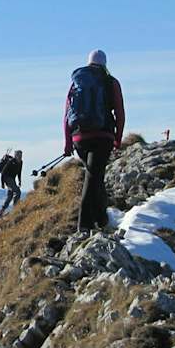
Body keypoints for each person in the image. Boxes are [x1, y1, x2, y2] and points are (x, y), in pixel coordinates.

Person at [64, 50, 125, 231]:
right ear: (104, 64)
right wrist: (118, 139)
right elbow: (120, 113)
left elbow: (66, 115)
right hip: (102, 136)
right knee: (92, 179)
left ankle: (102, 219)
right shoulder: (111, 82)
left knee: (95, 177)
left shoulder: (77, 83)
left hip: (79, 137)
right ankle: (84, 226)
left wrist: (68, 143)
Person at [0, 149, 23, 218]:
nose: (19, 157)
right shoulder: (11, 161)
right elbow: (3, 172)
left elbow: (19, 172)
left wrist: (20, 181)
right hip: (6, 178)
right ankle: (15, 208)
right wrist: (2, 183)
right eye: (18, 155)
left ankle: (1, 211)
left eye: (20, 155)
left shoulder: (21, 162)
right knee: (18, 192)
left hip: (12, 179)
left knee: (10, 196)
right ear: (15, 156)